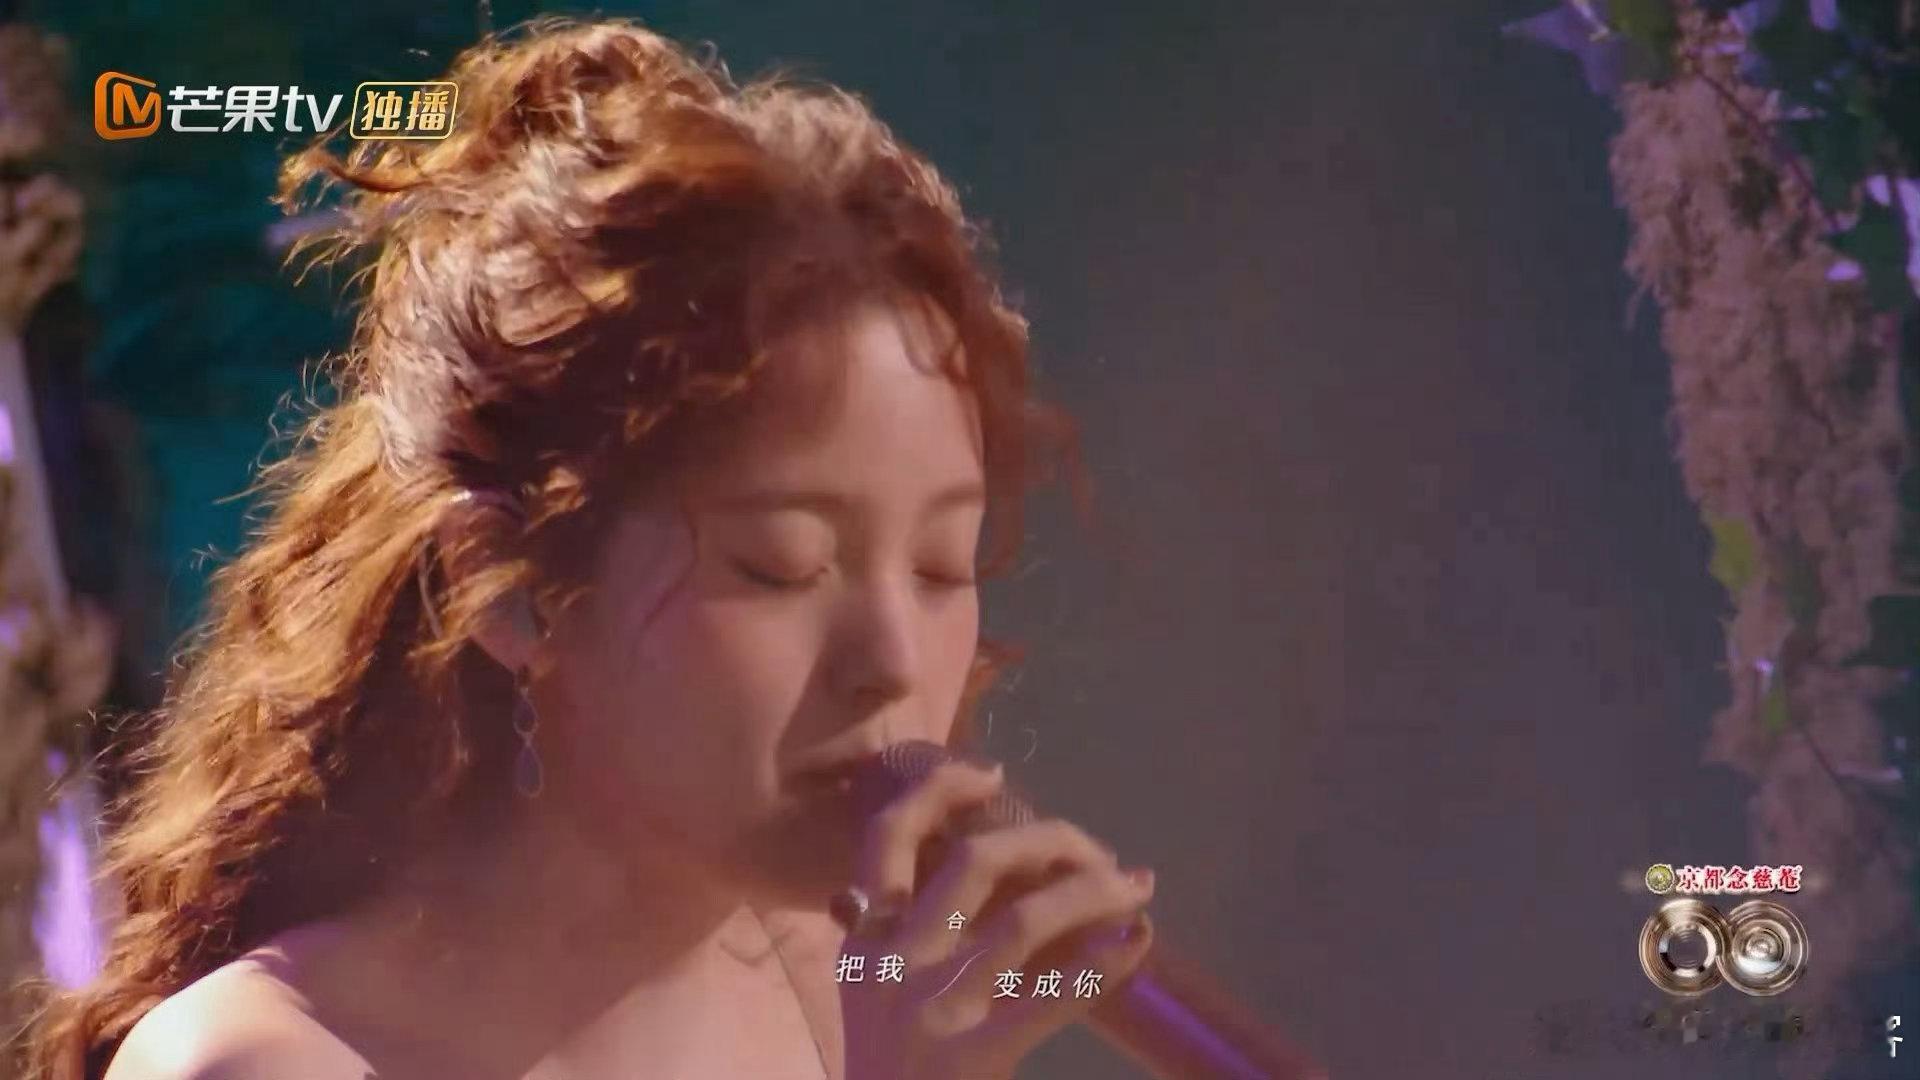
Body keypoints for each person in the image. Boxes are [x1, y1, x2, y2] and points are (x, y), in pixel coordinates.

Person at [22, 16, 1157, 1080]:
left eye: (942, 565)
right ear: (507, 591)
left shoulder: (844, 974)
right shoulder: (263, 1059)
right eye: (780, 564)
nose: (895, 661)